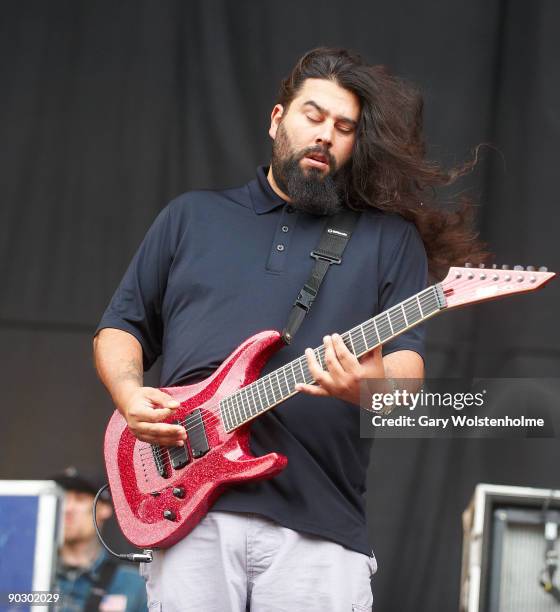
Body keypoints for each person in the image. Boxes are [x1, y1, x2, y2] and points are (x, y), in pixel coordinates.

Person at [93, 47, 486, 611]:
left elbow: (407, 373)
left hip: (320, 525)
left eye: (343, 127)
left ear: (354, 144)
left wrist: (367, 387)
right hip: (191, 512)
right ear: (278, 119)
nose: (325, 134)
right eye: (313, 115)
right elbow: (120, 327)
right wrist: (129, 394)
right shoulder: (192, 217)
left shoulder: (387, 240)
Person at [53, 466, 148, 612]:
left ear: (104, 508)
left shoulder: (133, 585)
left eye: (79, 499)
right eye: (62, 499)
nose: (67, 508)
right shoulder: (29, 576)